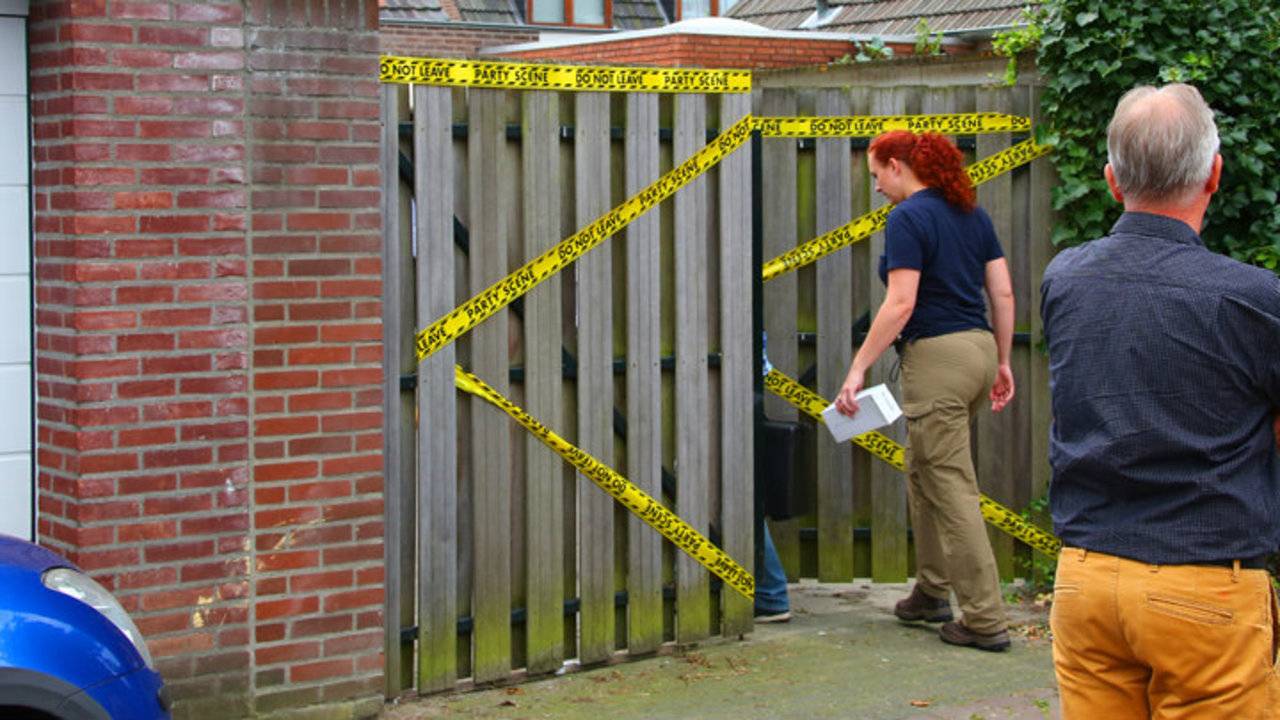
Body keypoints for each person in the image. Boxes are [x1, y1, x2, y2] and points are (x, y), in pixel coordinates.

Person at [1040, 83, 1280, 718]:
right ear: (1215, 175)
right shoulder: (1255, 299)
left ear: (1112, 180)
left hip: (1086, 578)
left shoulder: (1065, 278)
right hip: (1204, 581)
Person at [835, 130, 1016, 652]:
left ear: (897, 165)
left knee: (950, 483)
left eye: (877, 175)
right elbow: (1002, 292)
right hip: (979, 351)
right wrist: (1003, 361)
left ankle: (984, 619)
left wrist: (857, 368)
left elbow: (900, 303)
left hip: (938, 361)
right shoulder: (972, 214)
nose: (876, 187)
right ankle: (932, 591)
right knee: (923, 469)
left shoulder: (907, 218)